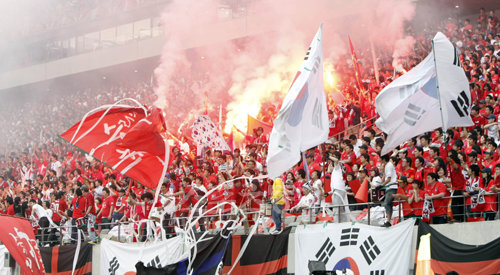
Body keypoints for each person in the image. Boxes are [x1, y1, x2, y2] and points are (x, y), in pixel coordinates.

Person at [380, 155, 398, 227]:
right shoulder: (387, 166)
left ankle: (388, 220)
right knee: (388, 204)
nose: (380, 161)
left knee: (387, 203)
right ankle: (388, 220)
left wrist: (382, 186)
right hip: (389, 187)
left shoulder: (389, 165)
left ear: (384, 159)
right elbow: (385, 178)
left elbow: (389, 179)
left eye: (381, 159)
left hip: (391, 187)